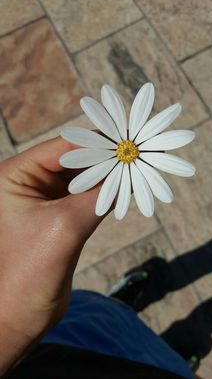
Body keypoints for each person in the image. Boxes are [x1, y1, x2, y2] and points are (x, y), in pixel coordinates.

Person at [0, 137, 201, 378]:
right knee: (159, 363)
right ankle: (172, 362)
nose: (127, 151)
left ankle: (120, 307)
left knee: (97, 318)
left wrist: (9, 327)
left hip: (49, 343)